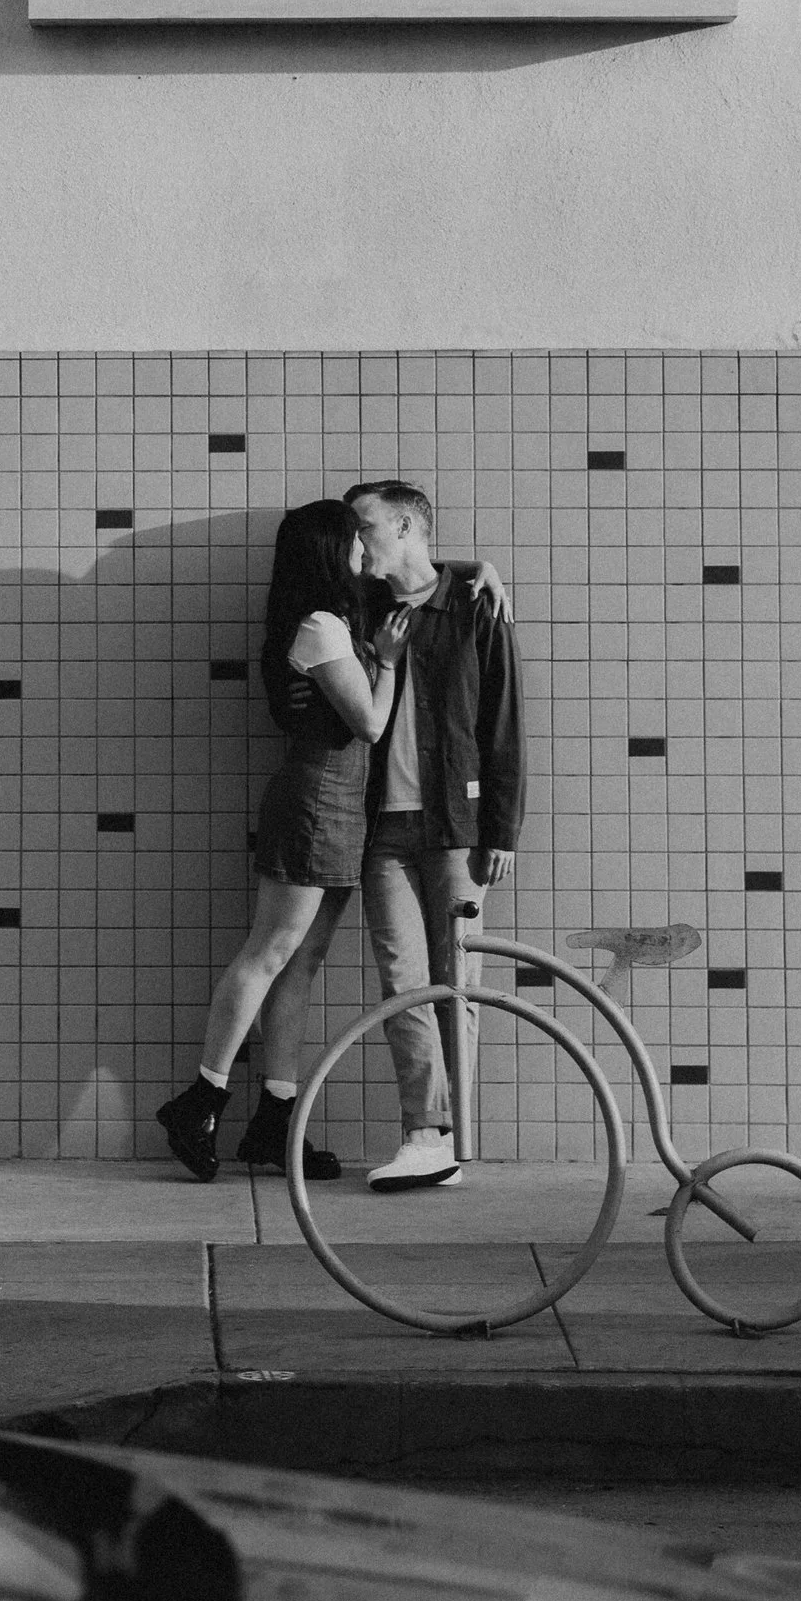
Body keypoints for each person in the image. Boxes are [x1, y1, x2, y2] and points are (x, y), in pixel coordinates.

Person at [154, 499, 392, 1183]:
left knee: (301, 961)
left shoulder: (337, 620)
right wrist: (393, 662)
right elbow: (370, 722)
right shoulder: (319, 626)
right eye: (353, 541)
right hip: (316, 800)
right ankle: (201, 1098)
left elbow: (421, 575)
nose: (361, 551)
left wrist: (482, 572)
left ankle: (275, 1118)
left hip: (341, 804)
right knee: (269, 951)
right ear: (328, 550)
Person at [348, 475, 528, 1190]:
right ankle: (427, 1132)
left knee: (458, 982)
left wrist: (502, 826)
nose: (356, 541)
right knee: (403, 981)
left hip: (458, 826)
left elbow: (504, 721)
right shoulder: (364, 607)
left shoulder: (475, 605)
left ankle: (451, 1142)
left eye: (365, 528)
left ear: (405, 530)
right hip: (382, 830)